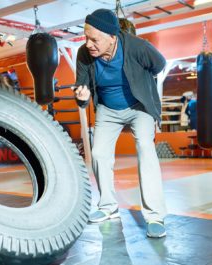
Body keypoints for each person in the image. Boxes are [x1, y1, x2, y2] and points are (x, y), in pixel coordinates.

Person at [72, 9, 167, 238]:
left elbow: (159, 64)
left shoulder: (136, 46)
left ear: (112, 37)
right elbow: (81, 86)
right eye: (86, 37)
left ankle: (155, 216)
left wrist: (142, 81)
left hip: (139, 105)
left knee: (145, 148)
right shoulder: (84, 54)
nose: (88, 44)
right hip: (108, 108)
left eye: (94, 39)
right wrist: (81, 97)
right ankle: (108, 207)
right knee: (99, 153)